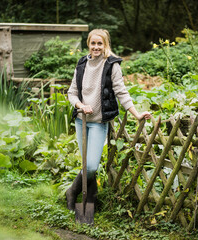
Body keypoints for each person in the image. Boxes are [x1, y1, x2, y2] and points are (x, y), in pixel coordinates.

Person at [66, 29, 151, 211]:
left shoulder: (112, 65)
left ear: (106, 45)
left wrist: (136, 114)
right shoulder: (81, 64)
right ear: (88, 44)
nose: (96, 47)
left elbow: (121, 92)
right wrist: (81, 106)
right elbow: (72, 93)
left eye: (100, 43)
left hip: (98, 122)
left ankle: (72, 191)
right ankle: (91, 201)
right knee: (86, 165)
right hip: (81, 121)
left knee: (90, 166)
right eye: (93, 43)